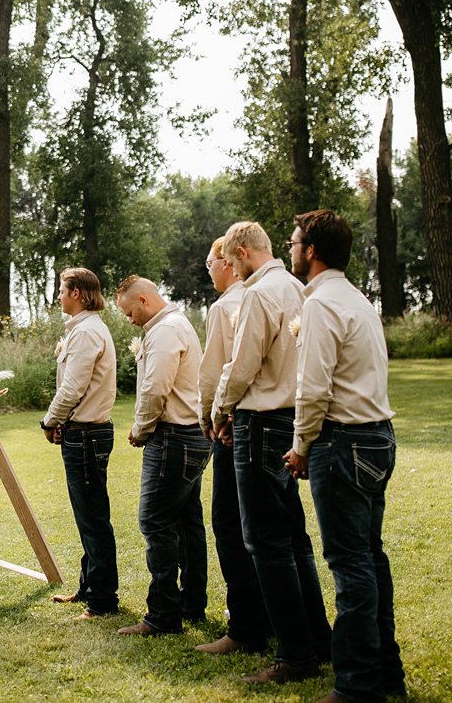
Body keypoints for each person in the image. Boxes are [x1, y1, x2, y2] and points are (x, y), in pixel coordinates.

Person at [284, 211, 405, 703]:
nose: (290, 249)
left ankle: (356, 687)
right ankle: (386, 676)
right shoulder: (358, 300)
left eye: (293, 242)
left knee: (350, 565)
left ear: (311, 250)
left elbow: (313, 389)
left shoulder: (319, 306)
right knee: (370, 560)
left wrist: (300, 447)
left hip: (344, 441)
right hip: (379, 436)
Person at [211, 221, 332, 684]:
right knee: (293, 536)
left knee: (265, 541)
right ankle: (318, 638)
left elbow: (241, 365)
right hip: (290, 418)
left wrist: (221, 413)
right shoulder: (299, 288)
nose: (230, 268)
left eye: (231, 259)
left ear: (242, 252)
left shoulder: (260, 294)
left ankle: (296, 653)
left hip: (260, 420)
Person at [115, 275, 210, 638]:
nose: (130, 320)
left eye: (129, 312)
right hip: (190, 435)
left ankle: (163, 614)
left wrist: (140, 429)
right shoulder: (176, 323)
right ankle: (192, 603)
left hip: (174, 437)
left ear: (143, 299)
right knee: (187, 522)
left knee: (154, 521)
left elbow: (155, 389)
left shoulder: (166, 330)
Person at [194, 236, 269, 655]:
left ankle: (245, 625)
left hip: (234, 426)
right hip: (273, 422)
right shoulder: (274, 293)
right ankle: (272, 613)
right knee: (267, 526)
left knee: (228, 522)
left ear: (227, 262)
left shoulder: (225, 307)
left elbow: (214, 373)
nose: (209, 270)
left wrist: (211, 417)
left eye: (210, 263)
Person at [41, 266, 120, 619]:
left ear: (77, 294)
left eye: (62, 289)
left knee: (93, 518)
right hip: (80, 432)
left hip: (87, 436)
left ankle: (102, 600)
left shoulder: (87, 332)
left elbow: (72, 388)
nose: (58, 295)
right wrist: (64, 423)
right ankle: (89, 588)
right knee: (87, 516)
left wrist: (50, 420)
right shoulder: (82, 330)